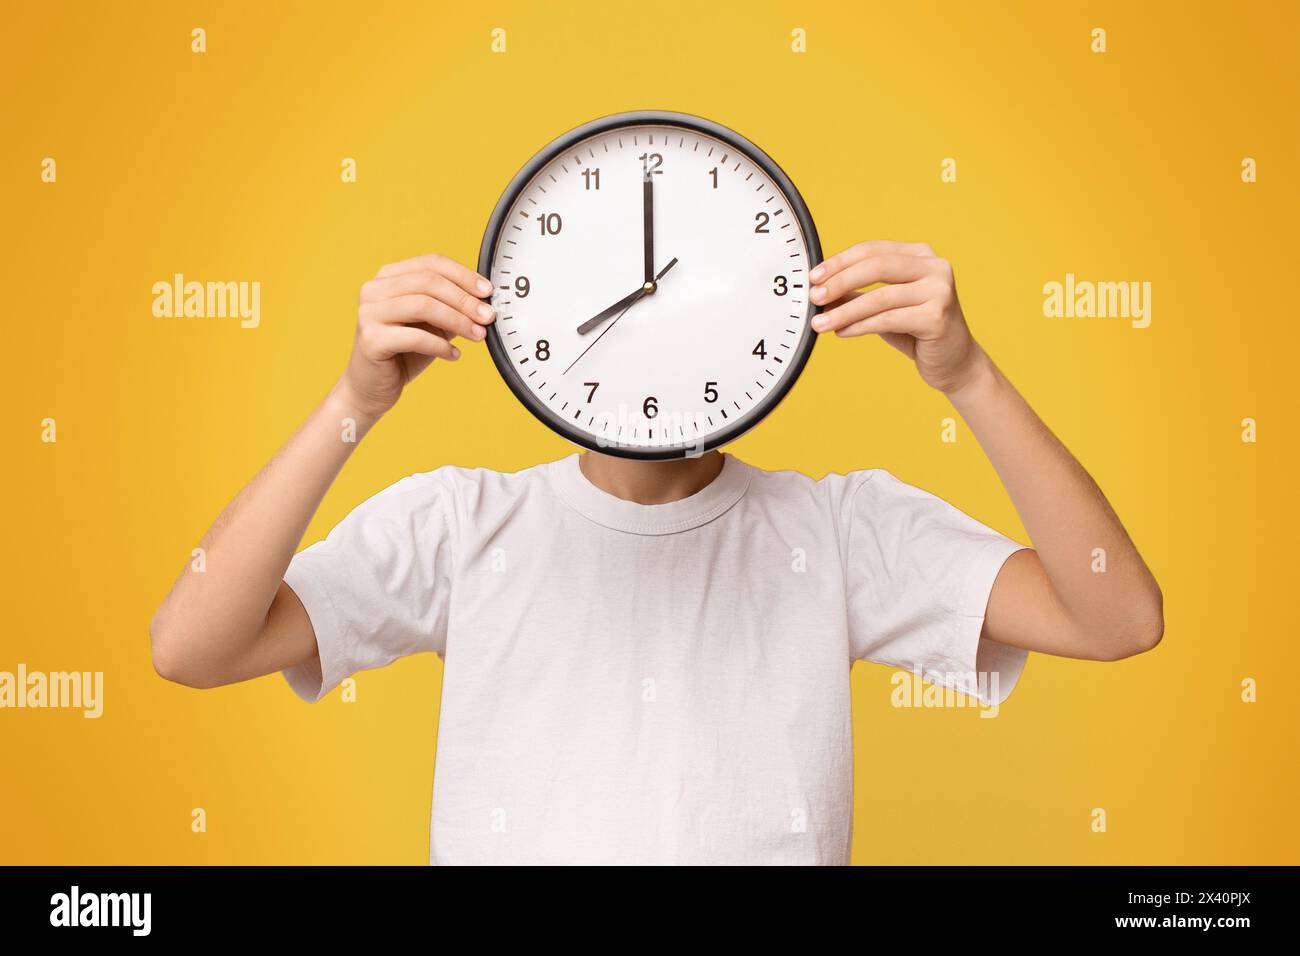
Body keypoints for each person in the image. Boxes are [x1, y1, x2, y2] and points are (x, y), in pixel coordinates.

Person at [149, 242, 1163, 865]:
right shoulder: (459, 525)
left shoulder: (838, 533)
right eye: (615, 309)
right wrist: (353, 402)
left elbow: (1115, 618)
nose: (649, 340)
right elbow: (191, 643)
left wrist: (971, 376)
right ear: (537, 331)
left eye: (687, 317)